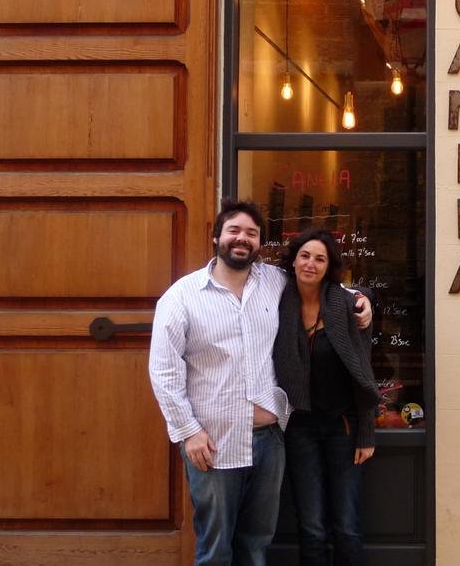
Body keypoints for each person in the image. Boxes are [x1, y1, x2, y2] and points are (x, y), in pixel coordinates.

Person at [148, 200, 371, 566]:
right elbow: (164, 371)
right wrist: (188, 431)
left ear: (259, 244)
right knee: (215, 548)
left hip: (270, 441)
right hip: (213, 442)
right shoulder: (181, 297)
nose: (242, 239)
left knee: (256, 545)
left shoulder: (273, 281)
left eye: (251, 233)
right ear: (216, 237)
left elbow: (327, 287)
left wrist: (363, 300)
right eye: (234, 230)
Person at [273, 229, 380, 566]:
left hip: (343, 428)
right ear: (293, 260)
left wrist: (366, 432)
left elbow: (362, 373)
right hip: (299, 428)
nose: (310, 263)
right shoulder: (277, 300)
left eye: (320, 258)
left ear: (329, 266)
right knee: (312, 527)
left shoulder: (347, 305)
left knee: (347, 528)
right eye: (305, 255)